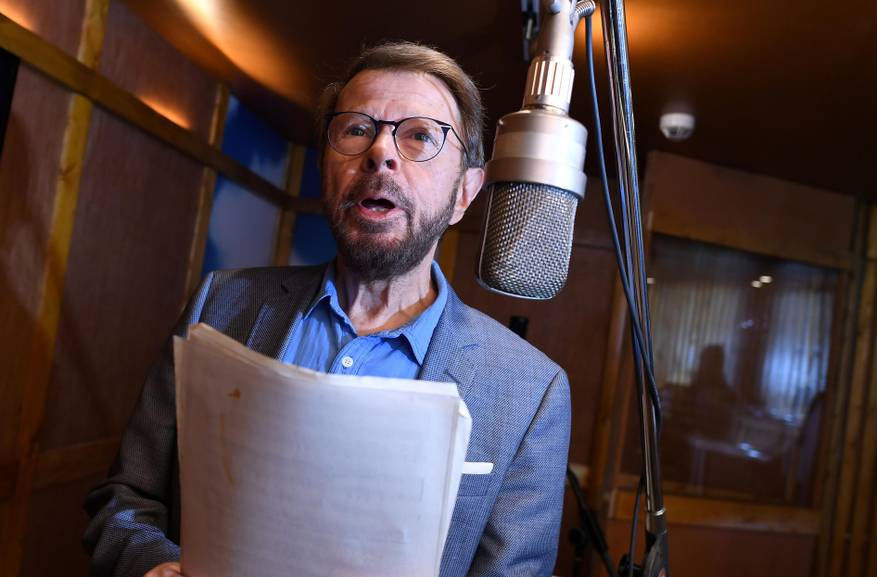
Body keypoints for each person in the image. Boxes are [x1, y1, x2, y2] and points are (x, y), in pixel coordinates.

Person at [83, 41, 571, 577]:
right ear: (326, 165)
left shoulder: (529, 392)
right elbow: (126, 498)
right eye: (357, 129)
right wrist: (152, 566)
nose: (380, 152)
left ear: (464, 193)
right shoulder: (221, 304)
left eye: (419, 136)